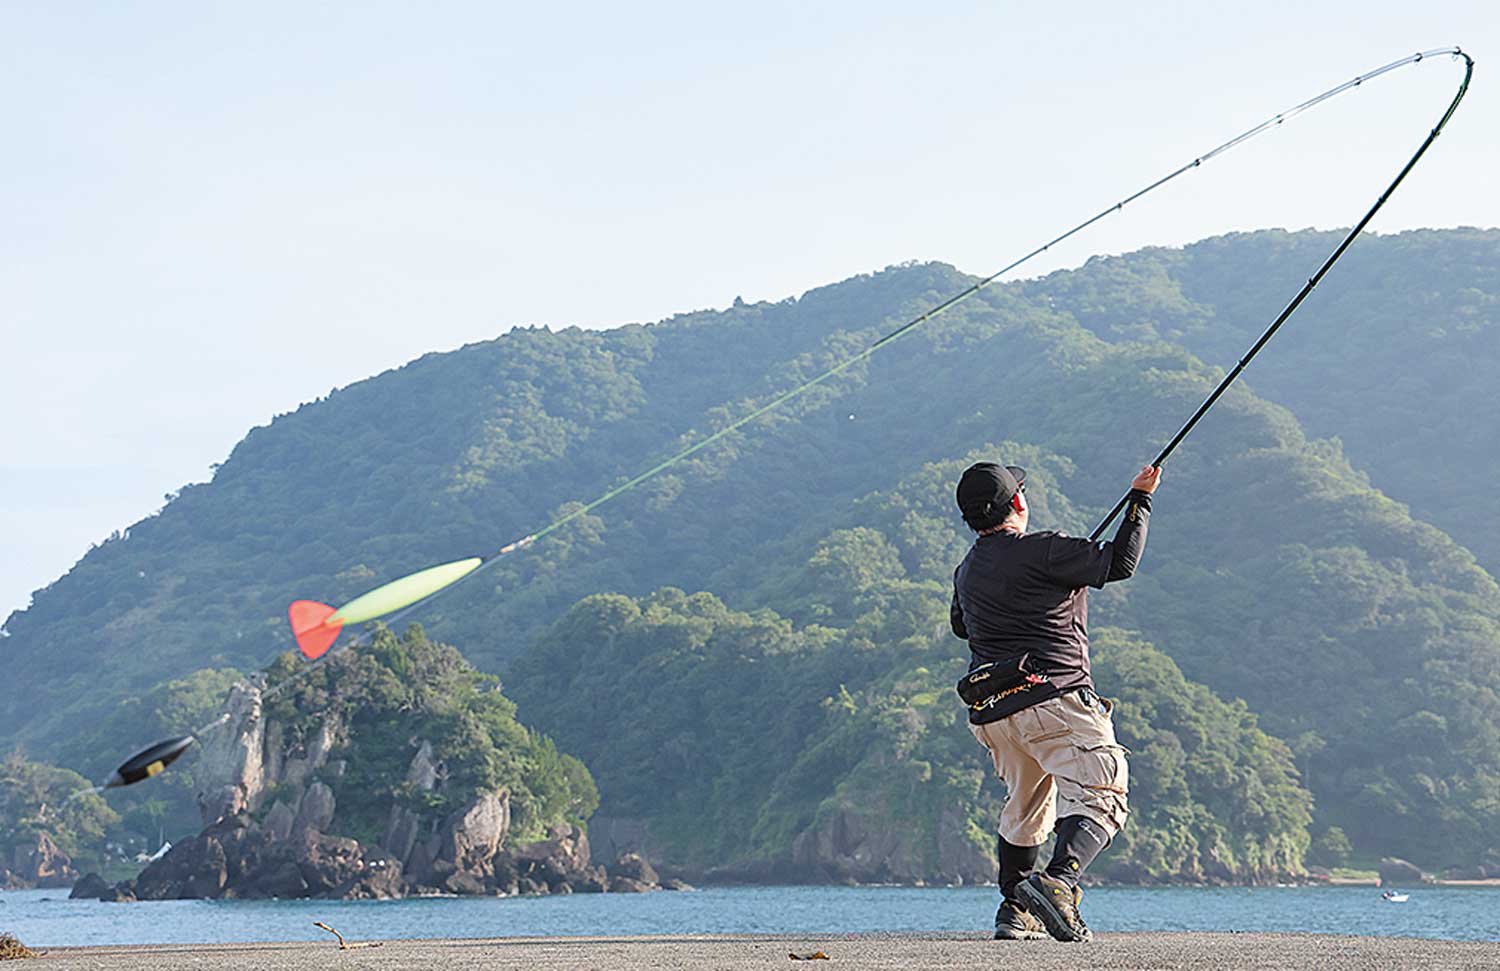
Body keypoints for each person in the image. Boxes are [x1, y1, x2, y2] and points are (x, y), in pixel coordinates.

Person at [950, 461, 1159, 942]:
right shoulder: (1042, 549)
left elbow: (962, 625)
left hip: (995, 714)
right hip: (1054, 699)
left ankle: (1014, 909)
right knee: (1102, 794)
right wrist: (1140, 498)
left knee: (1026, 806)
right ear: (1018, 502)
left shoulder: (967, 570)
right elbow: (1119, 564)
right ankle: (1059, 883)